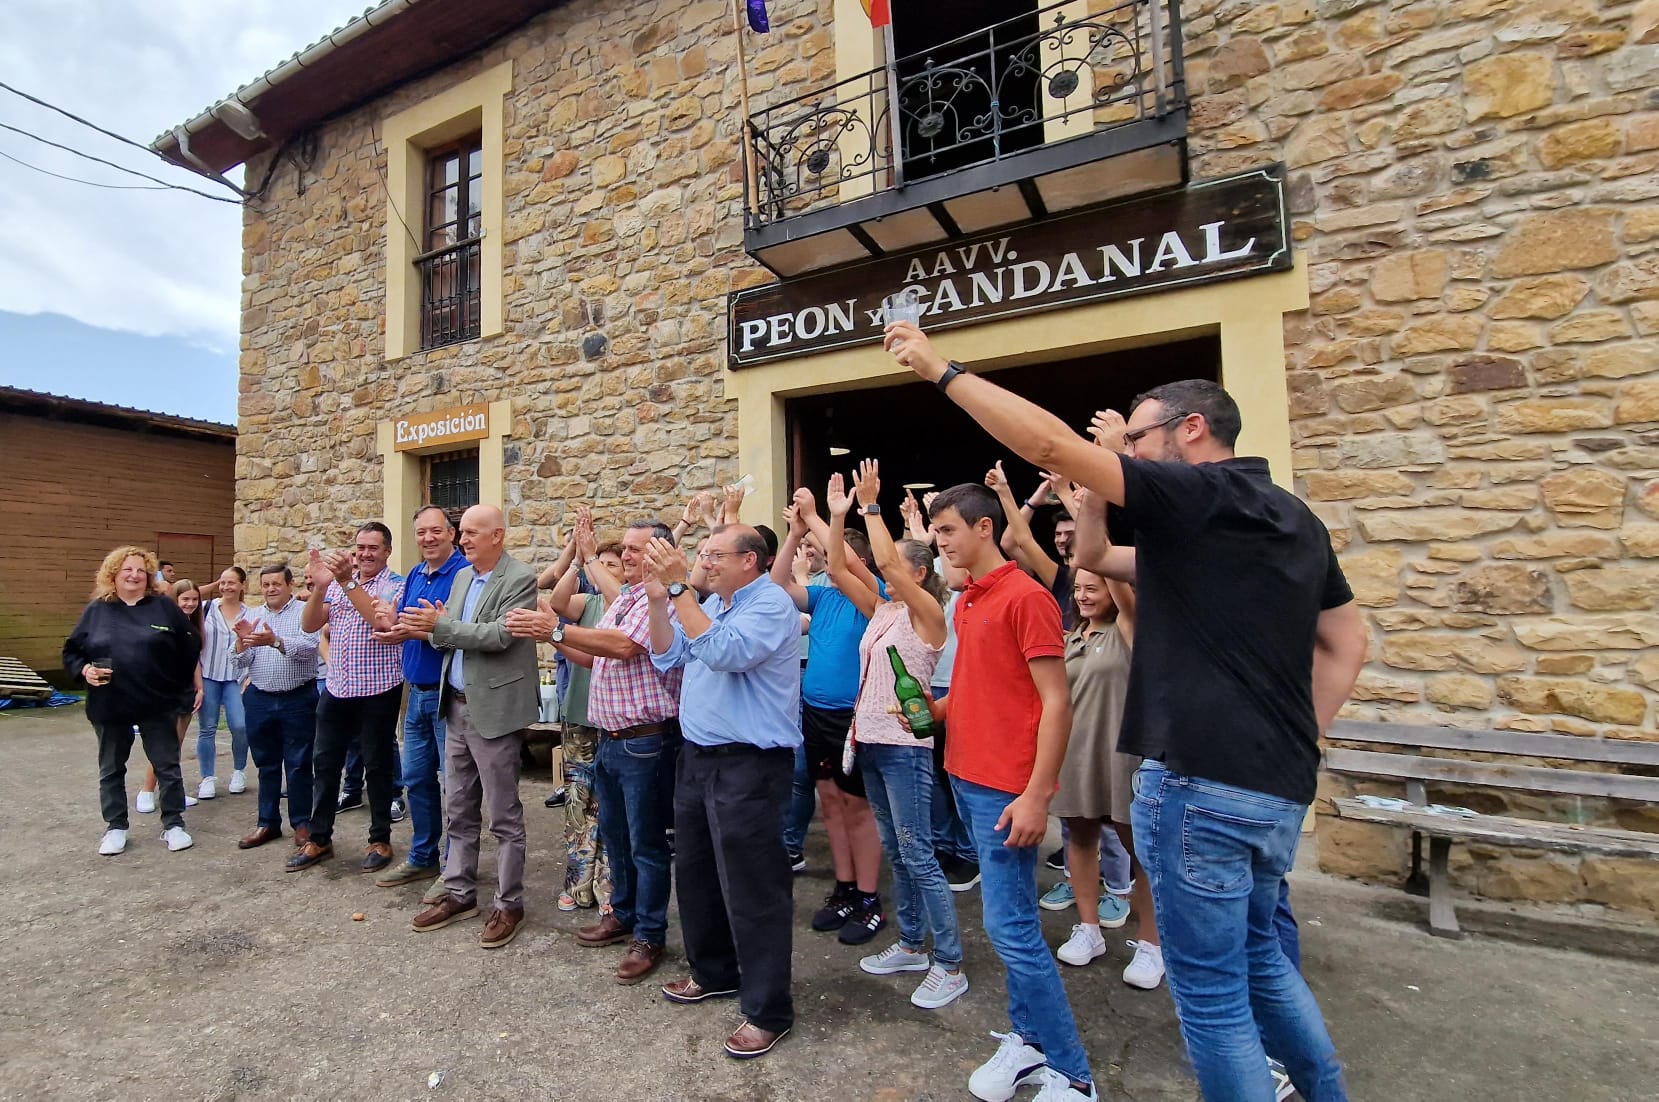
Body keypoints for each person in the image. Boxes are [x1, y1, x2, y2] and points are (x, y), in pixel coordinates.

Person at [888, 320, 1368, 1101]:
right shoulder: (1286, 517)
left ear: (1190, 429)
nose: (1130, 453)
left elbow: (1046, 444)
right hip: (1274, 784)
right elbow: (1346, 642)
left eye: (1137, 438)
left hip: (1199, 785)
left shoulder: (1203, 493)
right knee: (1261, 963)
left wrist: (940, 368)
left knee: (1211, 999)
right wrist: (1290, 740)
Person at [907, 483, 1096, 1102]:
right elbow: (976, 684)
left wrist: (1038, 794)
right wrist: (936, 710)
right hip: (966, 776)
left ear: (985, 529)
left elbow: (1057, 701)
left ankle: (1073, 1073)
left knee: (1011, 928)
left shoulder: (1027, 598)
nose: (940, 541)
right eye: (936, 532)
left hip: (1005, 789)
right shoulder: (967, 600)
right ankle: (1027, 1042)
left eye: (949, 531)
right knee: (1010, 923)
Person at [644, 526, 800, 1061]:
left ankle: (767, 1010)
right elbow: (668, 656)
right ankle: (713, 972)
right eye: (703, 555)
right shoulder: (716, 602)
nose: (704, 563)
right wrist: (658, 597)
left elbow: (726, 654)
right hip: (698, 757)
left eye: (714, 555)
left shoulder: (770, 604)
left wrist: (681, 591)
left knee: (753, 888)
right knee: (696, 874)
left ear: (750, 561)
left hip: (749, 765)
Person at [513, 518, 684, 985]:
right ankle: (623, 914)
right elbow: (595, 656)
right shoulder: (625, 597)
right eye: (624, 548)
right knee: (618, 836)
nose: (627, 555)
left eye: (636, 549)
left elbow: (625, 647)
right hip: (611, 738)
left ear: (660, 554)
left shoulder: (663, 599)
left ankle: (650, 934)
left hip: (646, 741)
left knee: (647, 845)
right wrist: (550, 635)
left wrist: (557, 631)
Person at [828, 460, 967, 1011]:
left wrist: (871, 506)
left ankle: (950, 962)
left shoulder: (929, 613)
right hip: (870, 742)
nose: (885, 575)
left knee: (918, 851)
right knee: (897, 851)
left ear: (916, 573)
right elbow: (840, 567)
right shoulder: (884, 610)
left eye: (895, 571)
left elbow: (883, 558)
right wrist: (838, 517)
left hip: (908, 747)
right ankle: (911, 943)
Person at [404, 505, 540, 948]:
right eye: (462, 532)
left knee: (503, 814)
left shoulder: (520, 577)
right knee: (458, 807)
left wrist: (443, 625)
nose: (463, 540)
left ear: (497, 535)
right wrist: (437, 626)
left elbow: (500, 636)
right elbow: (450, 635)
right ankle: (459, 892)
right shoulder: (463, 577)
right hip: (455, 706)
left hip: (495, 711)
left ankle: (509, 904)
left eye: (472, 533)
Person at [773, 488, 886, 947]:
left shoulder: (873, 597)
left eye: (826, 553)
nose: (820, 560)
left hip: (851, 720)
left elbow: (846, 564)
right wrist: (795, 533)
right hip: (816, 716)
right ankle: (843, 888)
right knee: (831, 803)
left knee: (858, 808)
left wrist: (821, 516)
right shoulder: (822, 598)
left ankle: (868, 896)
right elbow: (777, 585)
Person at [1048, 568, 1163, 990]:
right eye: (1077, 588)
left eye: (1092, 587)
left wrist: (1088, 515)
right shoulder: (1070, 639)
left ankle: (1152, 944)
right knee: (1078, 839)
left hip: (1123, 757)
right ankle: (1089, 928)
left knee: (1142, 851)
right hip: (1076, 756)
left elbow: (1115, 577)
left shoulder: (1129, 630)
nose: (1081, 595)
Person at [64, 546, 202, 855]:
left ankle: (174, 824)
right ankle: (115, 827)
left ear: (148, 576)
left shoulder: (163, 608)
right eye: (127, 569)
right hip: (110, 703)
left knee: (167, 766)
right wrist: (85, 670)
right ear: (113, 574)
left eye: (140, 570)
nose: (134, 575)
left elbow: (190, 646)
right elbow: (72, 651)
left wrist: (176, 684)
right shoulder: (96, 610)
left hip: (157, 702)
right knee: (111, 768)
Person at [290, 523, 406, 874]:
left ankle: (380, 838)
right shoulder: (338, 586)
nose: (365, 554)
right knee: (324, 765)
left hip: (379, 689)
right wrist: (320, 587)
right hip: (337, 688)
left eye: (373, 547)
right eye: (360, 547)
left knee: (377, 766)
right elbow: (309, 626)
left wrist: (345, 582)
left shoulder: (395, 585)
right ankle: (320, 838)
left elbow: (380, 621)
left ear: (387, 551)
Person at [526, 514, 624, 913]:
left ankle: (608, 884)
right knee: (577, 802)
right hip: (579, 714)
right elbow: (558, 603)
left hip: (614, 721)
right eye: (601, 562)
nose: (603, 567)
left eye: (612, 563)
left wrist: (593, 562)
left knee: (609, 806)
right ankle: (577, 880)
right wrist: (579, 559)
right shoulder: (591, 600)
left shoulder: (627, 602)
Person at [368, 505, 469, 887]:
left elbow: (460, 634)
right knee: (416, 777)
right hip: (414, 692)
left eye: (435, 531)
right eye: (421, 532)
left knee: (454, 784)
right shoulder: (414, 573)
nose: (427, 538)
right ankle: (423, 855)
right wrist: (390, 621)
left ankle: (453, 863)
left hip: (447, 695)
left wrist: (412, 632)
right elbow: (405, 623)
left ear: (451, 534)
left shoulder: (462, 575)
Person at [233, 565, 321, 849]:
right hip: (260, 698)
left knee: (298, 764)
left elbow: (310, 648)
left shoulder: (303, 613)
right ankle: (267, 823)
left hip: (297, 698)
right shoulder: (252, 615)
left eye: (276, 584)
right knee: (265, 764)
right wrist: (240, 643)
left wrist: (276, 641)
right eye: (266, 584)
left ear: (289, 585)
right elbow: (238, 663)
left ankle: (302, 823)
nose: (270, 589)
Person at [137, 580, 204, 814]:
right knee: (162, 746)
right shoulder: (163, 624)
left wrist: (200, 688)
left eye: (195, 599)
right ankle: (146, 790)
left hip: (185, 691)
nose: (191, 603)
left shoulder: (192, 625)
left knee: (175, 746)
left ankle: (173, 791)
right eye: (185, 599)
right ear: (174, 600)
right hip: (164, 692)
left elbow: (194, 660)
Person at [197, 566, 252, 799]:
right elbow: (176, 595)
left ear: (242, 585)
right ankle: (207, 778)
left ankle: (239, 771)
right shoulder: (205, 608)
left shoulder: (251, 613)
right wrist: (211, 587)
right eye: (223, 582)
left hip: (235, 678)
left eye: (232, 582)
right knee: (207, 728)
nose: (226, 587)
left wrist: (250, 676)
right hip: (208, 675)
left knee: (239, 726)